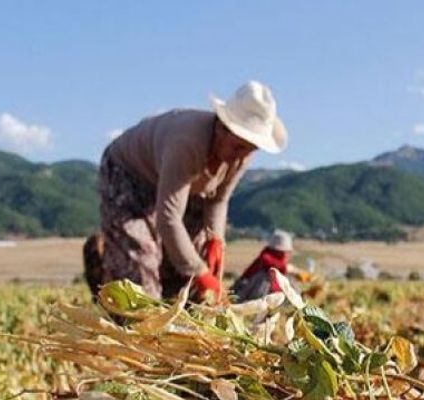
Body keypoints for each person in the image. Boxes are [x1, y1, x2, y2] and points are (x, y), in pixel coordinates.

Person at [84, 80, 287, 303]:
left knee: (194, 250)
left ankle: (177, 306)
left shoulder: (241, 154)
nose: (241, 156)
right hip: (129, 173)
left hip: (178, 183)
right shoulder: (186, 142)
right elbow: (169, 219)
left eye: (250, 150)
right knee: (141, 259)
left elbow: (218, 201)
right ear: (221, 128)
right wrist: (199, 271)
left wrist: (216, 240)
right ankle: (109, 276)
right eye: (238, 147)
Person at [232, 230, 311, 301]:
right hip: (256, 287)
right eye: (284, 252)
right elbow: (268, 262)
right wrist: (287, 268)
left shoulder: (280, 265)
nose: (286, 255)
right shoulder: (265, 258)